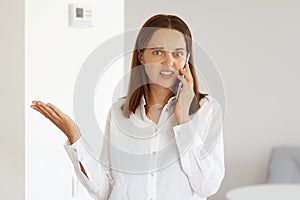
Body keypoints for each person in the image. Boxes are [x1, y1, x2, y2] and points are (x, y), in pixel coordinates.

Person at [31, 14, 225, 200]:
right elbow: (105, 190)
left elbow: (208, 185)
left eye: (178, 53)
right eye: (158, 52)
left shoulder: (206, 110)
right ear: (141, 56)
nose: (169, 62)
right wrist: (74, 137)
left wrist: (183, 119)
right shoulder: (119, 112)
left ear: (187, 59)